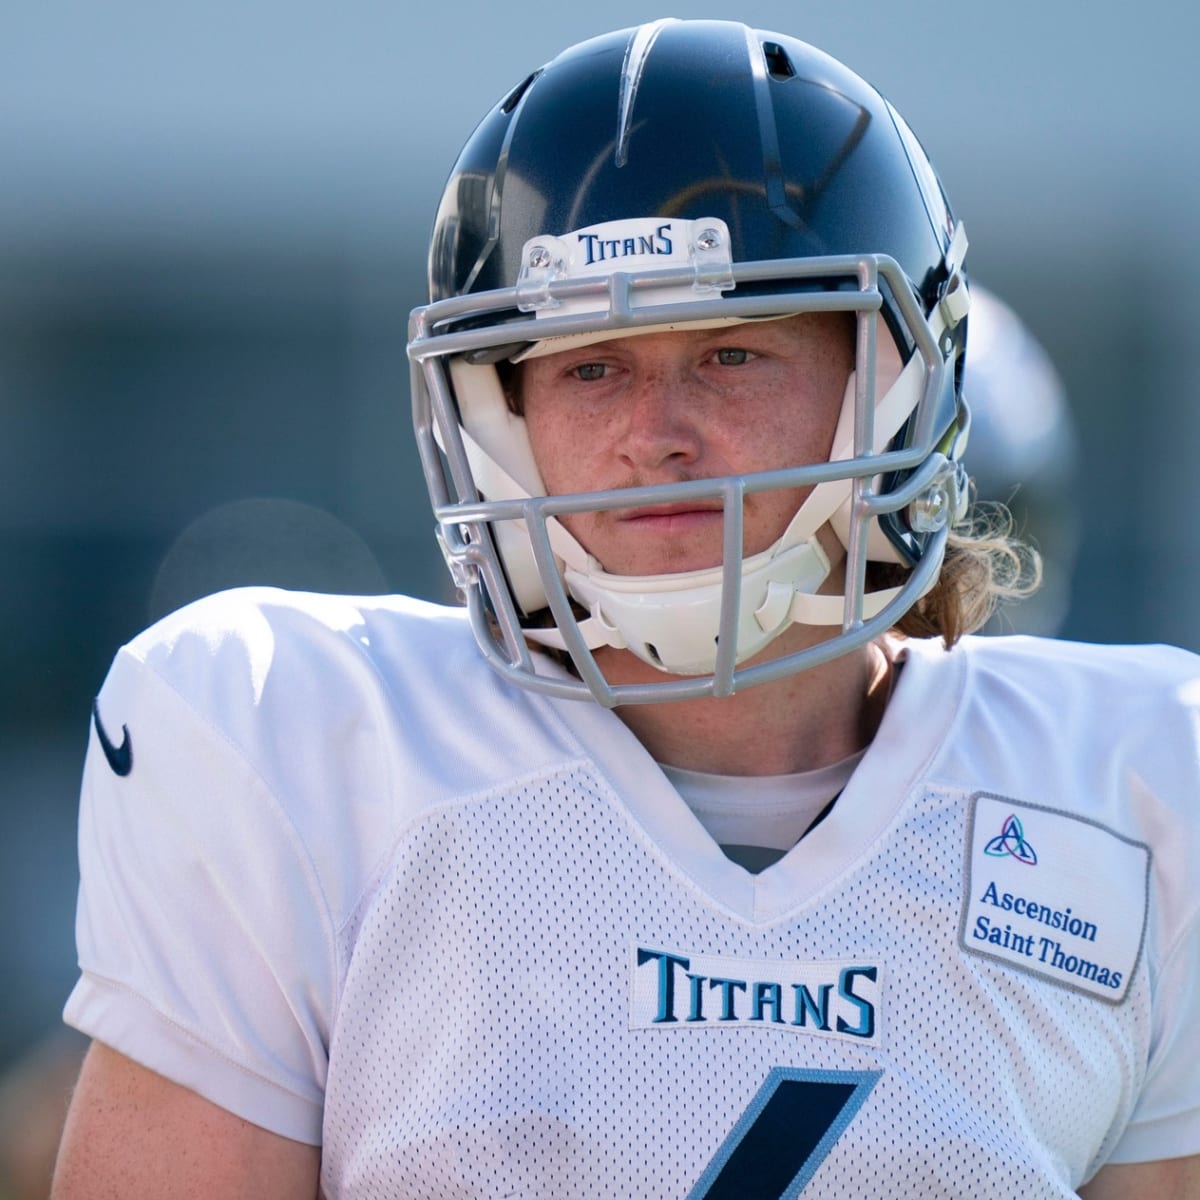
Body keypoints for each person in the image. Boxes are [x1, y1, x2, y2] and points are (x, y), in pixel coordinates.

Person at [51, 19, 1200, 1199]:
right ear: (500, 419)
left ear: (891, 391)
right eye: (591, 367)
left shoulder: (1143, 796)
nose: (655, 434)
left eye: (735, 354)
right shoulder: (293, 741)